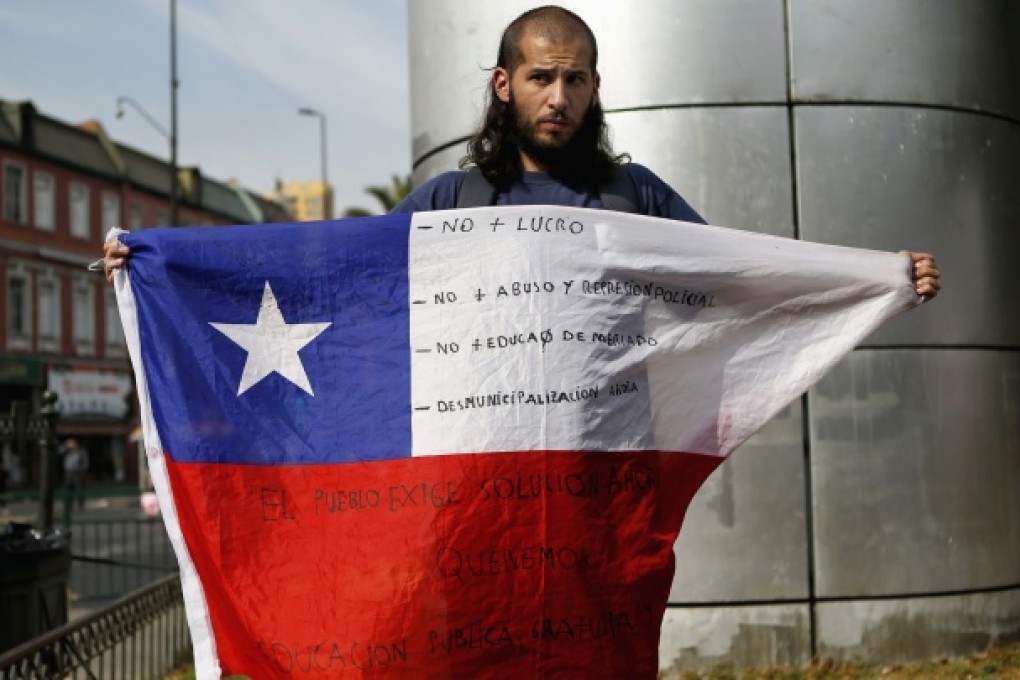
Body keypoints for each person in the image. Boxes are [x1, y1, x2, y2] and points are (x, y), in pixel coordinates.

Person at [102, 5, 940, 298]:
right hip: (482, 478)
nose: (560, 97)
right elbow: (328, 263)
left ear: (596, 88)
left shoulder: (636, 196)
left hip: (607, 471)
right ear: (505, 86)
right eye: (542, 77)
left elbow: (741, 269)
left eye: (577, 80)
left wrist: (874, 273)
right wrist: (164, 260)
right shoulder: (447, 202)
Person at [61, 437, 89, 510]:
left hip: (78, 473)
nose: (71, 444)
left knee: (79, 490)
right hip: (68, 472)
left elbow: (85, 463)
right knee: (67, 490)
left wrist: (82, 471)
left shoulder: (81, 451)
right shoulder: (66, 451)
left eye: (72, 443)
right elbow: (58, 451)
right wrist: (66, 446)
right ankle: (68, 506)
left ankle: (81, 506)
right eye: (69, 443)